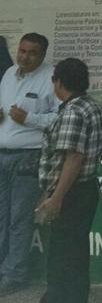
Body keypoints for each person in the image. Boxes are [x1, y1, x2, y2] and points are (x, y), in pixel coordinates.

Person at [35, 58, 102, 303]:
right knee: (76, 252)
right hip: (85, 189)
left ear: (58, 82)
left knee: (62, 254)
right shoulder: (92, 106)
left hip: (71, 191)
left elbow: (73, 157)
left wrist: (56, 197)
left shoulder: (73, 111)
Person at [0, 33, 59, 295]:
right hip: (2, 153)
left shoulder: (52, 78)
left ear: (43, 55)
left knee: (19, 218)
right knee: (2, 217)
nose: (25, 57)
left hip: (29, 156)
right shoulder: (9, 74)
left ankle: (15, 274)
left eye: (32, 53)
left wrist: (30, 118)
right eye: (22, 51)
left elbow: (61, 117)